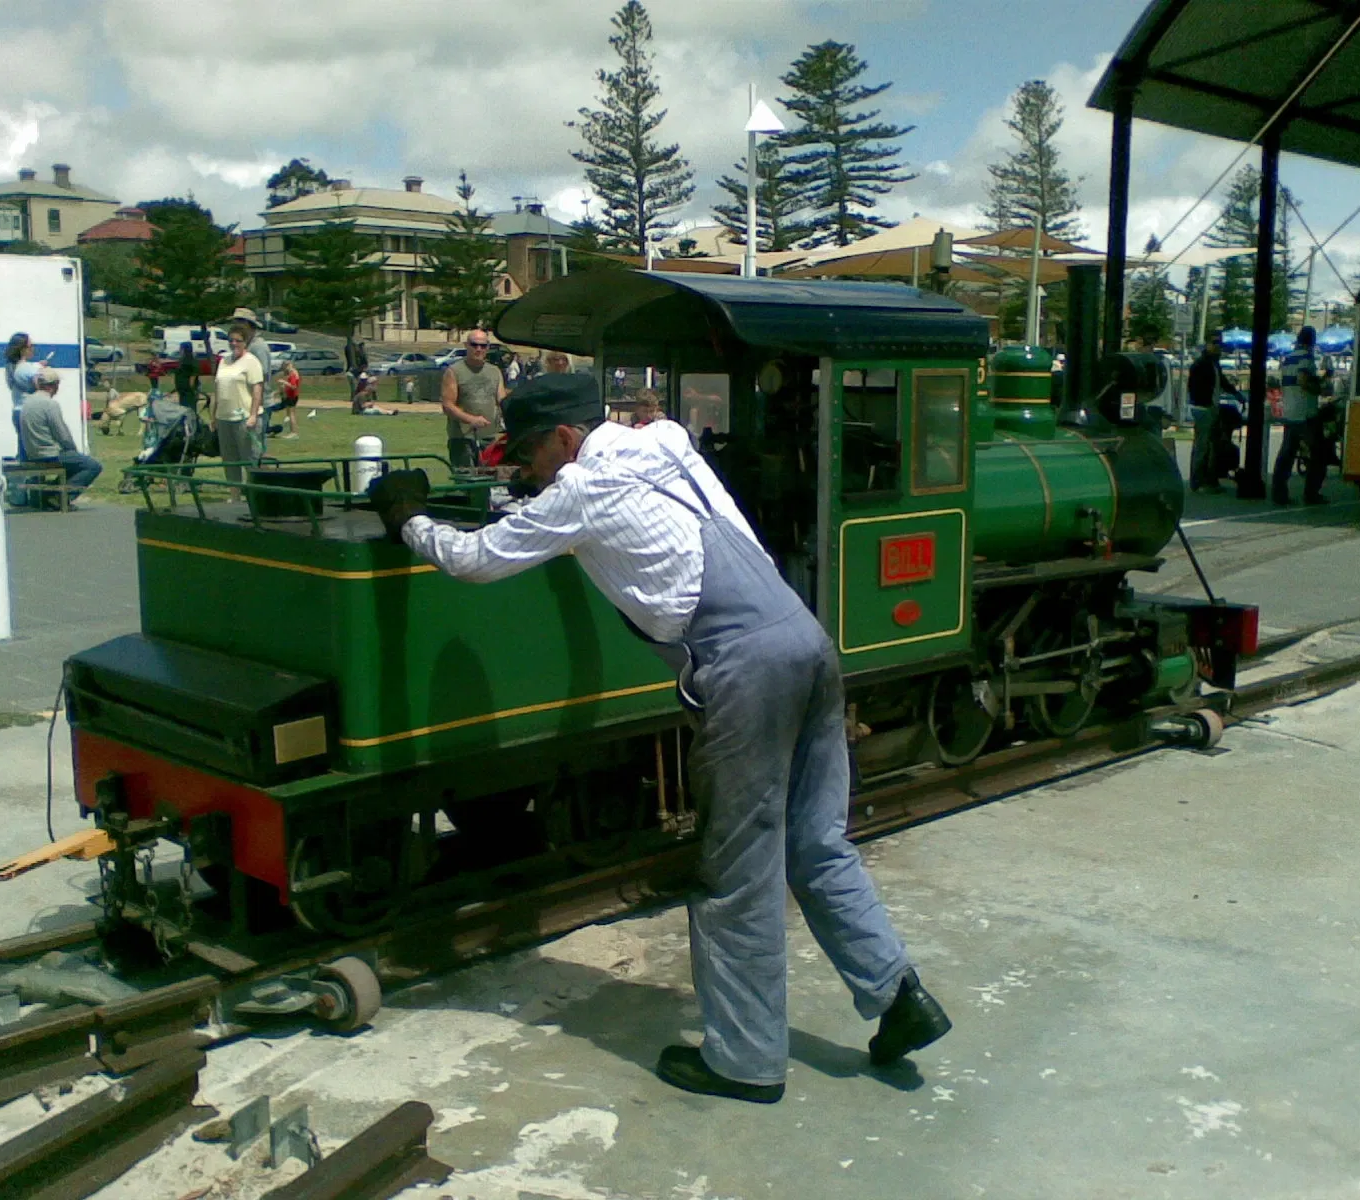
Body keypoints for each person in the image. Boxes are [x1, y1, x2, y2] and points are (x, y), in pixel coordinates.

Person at [372, 373, 951, 1105]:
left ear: (565, 439)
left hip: (740, 666)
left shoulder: (581, 490)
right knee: (817, 841)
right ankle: (900, 996)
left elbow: (475, 560)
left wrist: (409, 520)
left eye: (528, 455)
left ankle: (745, 1060)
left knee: (734, 871)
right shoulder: (668, 441)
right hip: (805, 641)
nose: (525, 472)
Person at [18, 369, 102, 504]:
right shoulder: (50, 405)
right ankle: (61, 496)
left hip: (32, 453)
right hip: (50, 454)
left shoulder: (27, 403)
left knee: (75, 463)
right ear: (54, 385)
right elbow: (62, 434)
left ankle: (50, 494)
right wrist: (72, 450)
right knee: (92, 466)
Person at [1272, 326, 1330, 506]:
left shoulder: (1288, 359)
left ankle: (1279, 492)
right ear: (1311, 341)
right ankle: (1312, 493)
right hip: (1306, 414)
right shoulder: (1306, 358)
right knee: (1319, 455)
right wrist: (1320, 389)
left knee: (1287, 455)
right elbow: (1303, 381)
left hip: (1290, 412)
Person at [1186, 333, 1243, 494]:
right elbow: (1194, 388)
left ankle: (1210, 480)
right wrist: (1207, 404)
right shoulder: (1201, 364)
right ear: (1207, 344)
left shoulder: (1214, 364)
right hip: (1203, 409)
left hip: (1211, 407)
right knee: (1202, 447)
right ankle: (1197, 482)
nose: (1218, 346)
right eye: (1215, 343)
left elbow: (1222, 382)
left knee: (1212, 446)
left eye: (1219, 343)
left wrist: (1236, 394)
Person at [441, 330, 506, 467]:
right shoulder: (454, 371)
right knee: (466, 481)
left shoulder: (494, 371)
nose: (478, 349)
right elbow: (447, 405)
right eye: (474, 345)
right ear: (466, 345)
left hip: (488, 437)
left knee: (489, 480)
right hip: (462, 438)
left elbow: (502, 401)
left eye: (483, 346)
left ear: (488, 347)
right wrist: (471, 420)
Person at [213, 327, 265, 483]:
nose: (234, 343)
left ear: (245, 342)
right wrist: (214, 416)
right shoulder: (224, 361)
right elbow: (217, 389)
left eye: (238, 340)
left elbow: (257, 389)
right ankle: (234, 496)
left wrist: (253, 415)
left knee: (249, 458)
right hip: (224, 418)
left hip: (244, 418)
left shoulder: (251, 361)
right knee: (229, 460)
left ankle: (254, 494)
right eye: (231, 340)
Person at [4, 332, 46, 457]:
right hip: (29, 413)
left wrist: (36, 366)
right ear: (22, 349)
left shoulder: (12, 367)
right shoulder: (26, 368)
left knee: (24, 450)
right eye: (30, 346)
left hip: (18, 411)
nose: (33, 348)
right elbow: (42, 384)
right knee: (32, 454)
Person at [275, 361, 302, 438]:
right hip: (291, 396)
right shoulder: (293, 373)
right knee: (290, 414)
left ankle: (294, 432)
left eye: (284, 368)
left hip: (292, 396)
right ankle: (292, 431)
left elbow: (294, 386)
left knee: (291, 414)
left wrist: (284, 382)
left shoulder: (293, 373)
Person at [173, 342, 201, 411]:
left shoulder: (190, 361)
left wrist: (192, 390)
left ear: (185, 350)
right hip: (183, 391)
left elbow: (192, 378)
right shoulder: (184, 361)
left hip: (188, 391)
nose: (179, 350)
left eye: (181, 349)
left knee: (188, 410)